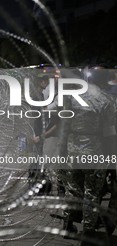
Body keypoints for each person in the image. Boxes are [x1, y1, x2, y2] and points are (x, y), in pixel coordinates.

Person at [48, 67, 117, 246]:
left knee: (72, 189)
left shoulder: (72, 96)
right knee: (91, 194)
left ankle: (68, 226)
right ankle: (88, 232)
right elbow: (110, 135)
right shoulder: (106, 101)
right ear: (105, 82)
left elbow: (51, 110)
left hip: (71, 151)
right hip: (94, 153)